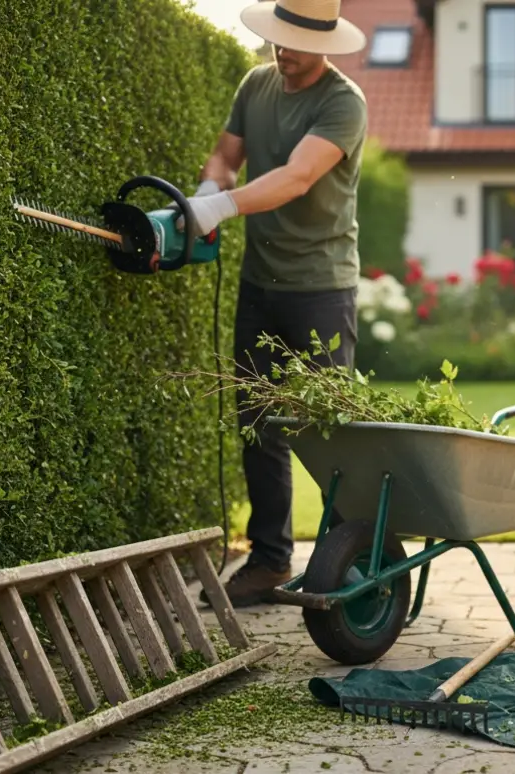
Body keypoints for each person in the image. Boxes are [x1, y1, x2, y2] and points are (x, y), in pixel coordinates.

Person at [184, 0, 369, 607]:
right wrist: (210, 188)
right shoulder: (255, 83)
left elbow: (294, 177)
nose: (280, 51)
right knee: (257, 424)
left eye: (293, 42)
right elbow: (226, 155)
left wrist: (222, 208)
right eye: (276, 39)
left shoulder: (344, 104)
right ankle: (268, 561)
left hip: (322, 286)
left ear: (326, 44)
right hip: (260, 285)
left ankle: (350, 559)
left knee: (326, 431)